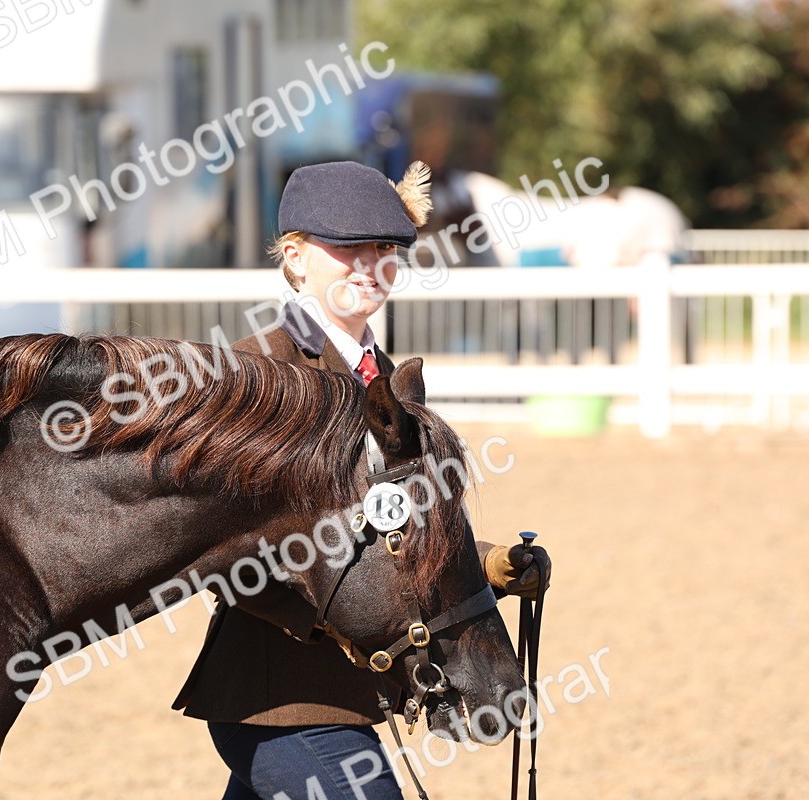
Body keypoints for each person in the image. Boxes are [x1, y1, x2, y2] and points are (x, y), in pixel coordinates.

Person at [172, 161, 548, 800]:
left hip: (353, 696)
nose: (369, 264)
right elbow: (215, 550)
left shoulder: (388, 377)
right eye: (347, 247)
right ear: (294, 259)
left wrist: (484, 564)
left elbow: (397, 521)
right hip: (278, 699)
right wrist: (346, 620)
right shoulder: (255, 369)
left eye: (385, 248)